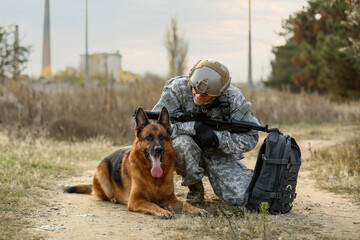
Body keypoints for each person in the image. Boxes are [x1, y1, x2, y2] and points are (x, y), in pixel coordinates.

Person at [152, 59, 259, 206]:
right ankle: (194, 187)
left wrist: (218, 139)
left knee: (244, 198)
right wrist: (194, 127)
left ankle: (247, 176)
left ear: (219, 93)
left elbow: (251, 137)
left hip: (218, 152)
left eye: (206, 95)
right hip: (186, 149)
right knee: (182, 143)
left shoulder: (233, 99)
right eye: (196, 90)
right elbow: (155, 127)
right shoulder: (177, 89)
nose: (198, 96)